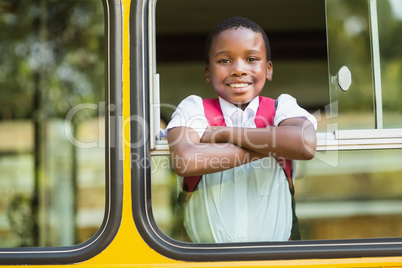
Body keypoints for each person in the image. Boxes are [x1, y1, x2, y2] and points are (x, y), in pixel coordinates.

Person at [165, 16, 317, 243]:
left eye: (251, 59)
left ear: (268, 69)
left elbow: (304, 144)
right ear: (208, 72)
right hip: (203, 260)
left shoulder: (282, 106)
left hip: (277, 258)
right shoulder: (194, 107)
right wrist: (276, 146)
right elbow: (185, 160)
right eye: (225, 61)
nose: (238, 69)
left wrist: (223, 134)